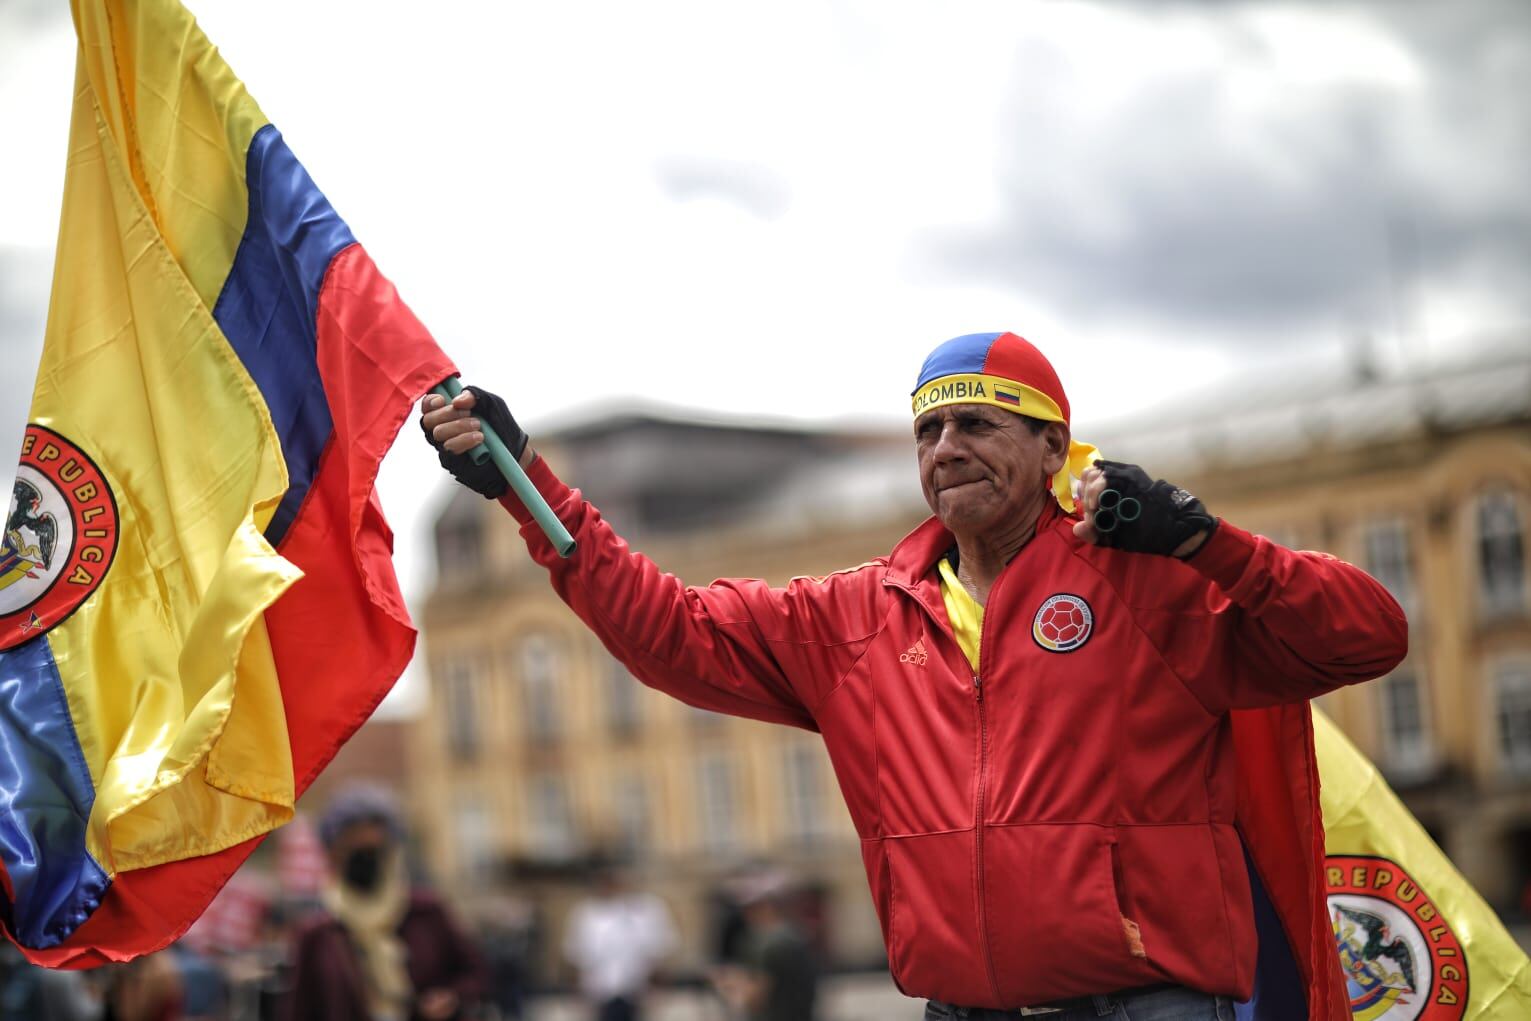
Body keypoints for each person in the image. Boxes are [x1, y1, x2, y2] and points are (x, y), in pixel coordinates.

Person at [421, 331, 1407, 1020]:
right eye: (929, 433)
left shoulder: (1152, 587)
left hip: (1143, 1008)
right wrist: (521, 483)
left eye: (979, 423)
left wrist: (1207, 541)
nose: (947, 449)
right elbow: (665, 631)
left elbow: (1366, 637)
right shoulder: (849, 616)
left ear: (1054, 447)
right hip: (959, 1012)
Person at [284, 784, 486, 1021]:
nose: (364, 855)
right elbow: (299, 1011)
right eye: (353, 844)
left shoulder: (427, 912)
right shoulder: (319, 933)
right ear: (334, 853)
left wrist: (452, 996)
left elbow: (477, 974)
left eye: (372, 847)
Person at [561, 866, 678, 1021]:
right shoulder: (586, 912)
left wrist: (658, 984)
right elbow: (575, 953)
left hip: (638, 989)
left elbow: (661, 948)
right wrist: (576, 991)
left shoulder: (649, 909)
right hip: (599, 990)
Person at [712, 872, 818, 1021]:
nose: (746, 915)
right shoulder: (794, 935)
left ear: (765, 907)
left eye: (750, 909)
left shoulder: (769, 944)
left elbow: (754, 999)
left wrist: (727, 985)